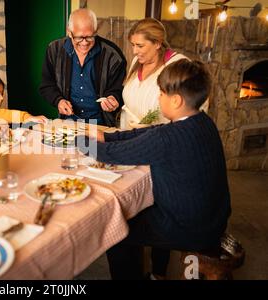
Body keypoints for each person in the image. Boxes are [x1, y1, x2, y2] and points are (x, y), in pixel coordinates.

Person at [77, 59, 231, 280]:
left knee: (117, 230)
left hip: (188, 227)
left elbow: (114, 154)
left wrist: (80, 142)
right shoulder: (203, 121)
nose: (158, 98)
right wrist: (108, 136)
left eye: (160, 93)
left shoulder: (168, 138)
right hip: (214, 218)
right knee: (140, 207)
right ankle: (158, 270)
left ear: (176, 100)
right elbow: (150, 133)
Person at [39, 8, 127, 127]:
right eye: (79, 37)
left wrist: (113, 98)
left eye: (90, 37)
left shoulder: (113, 55)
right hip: (68, 122)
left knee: (92, 147)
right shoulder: (54, 50)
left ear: (95, 31)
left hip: (101, 125)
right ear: (69, 32)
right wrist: (58, 100)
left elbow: (120, 89)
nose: (85, 43)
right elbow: (46, 85)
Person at [120, 18, 188, 130]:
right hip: (129, 136)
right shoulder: (136, 62)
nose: (134, 52)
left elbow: (188, 113)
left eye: (140, 46)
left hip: (160, 140)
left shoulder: (178, 65)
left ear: (157, 43)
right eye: (133, 45)